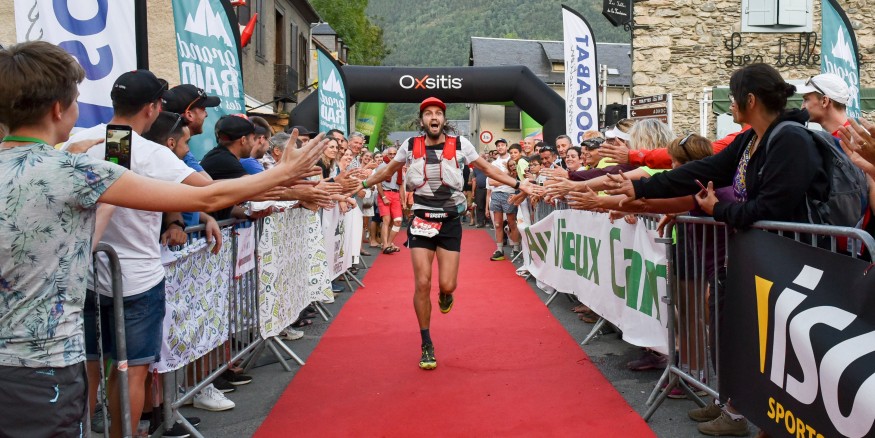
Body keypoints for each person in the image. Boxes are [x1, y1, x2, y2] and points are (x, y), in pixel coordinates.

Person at [0, 40, 325, 437]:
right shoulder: (77, 168)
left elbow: (95, 225)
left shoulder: (77, 156)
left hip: (38, 340)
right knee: (129, 371)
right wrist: (283, 174)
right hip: (50, 359)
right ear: (57, 109)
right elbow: (208, 195)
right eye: (75, 101)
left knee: (95, 367)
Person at [607, 63, 830, 437]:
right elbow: (704, 169)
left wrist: (717, 210)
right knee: (742, 339)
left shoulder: (790, 139)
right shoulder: (751, 139)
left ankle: (756, 418)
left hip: (789, 265)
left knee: (778, 350)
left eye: (733, 97)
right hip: (758, 261)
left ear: (750, 100)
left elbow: (769, 209)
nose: (730, 105)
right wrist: (641, 188)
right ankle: (735, 405)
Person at [360, 97, 532, 370]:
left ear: (443, 119)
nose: (433, 117)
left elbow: (487, 169)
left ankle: (445, 294)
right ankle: (426, 343)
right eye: (428, 113)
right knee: (422, 283)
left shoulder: (461, 144)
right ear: (422, 120)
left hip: (450, 222)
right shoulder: (410, 145)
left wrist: (520, 184)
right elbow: (389, 170)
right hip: (421, 220)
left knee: (447, 284)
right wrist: (361, 183)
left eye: (438, 113)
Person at [488, 137, 519, 260]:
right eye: (498, 145)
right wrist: (507, 179)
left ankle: (516, 248)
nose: (500, 147)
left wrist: (501, 180)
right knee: (497, 224)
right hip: (496, 194)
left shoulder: (513, 160)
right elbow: (491, 182)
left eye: (502, 145)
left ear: (506, 146)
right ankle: (499, 249)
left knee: (511, 223)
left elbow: (515, 179)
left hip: (509, 194)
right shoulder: (494, 163)